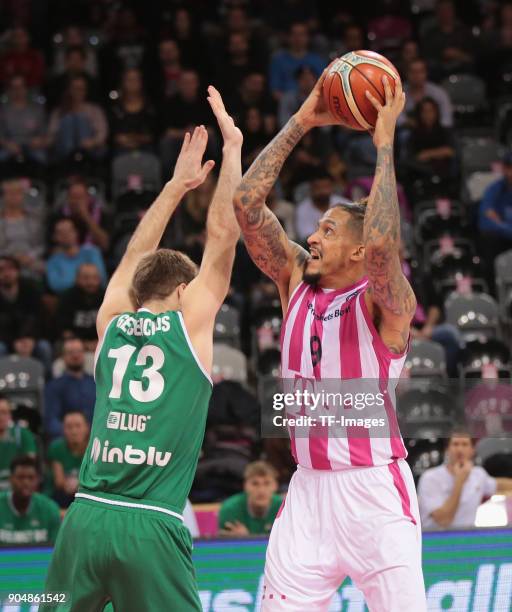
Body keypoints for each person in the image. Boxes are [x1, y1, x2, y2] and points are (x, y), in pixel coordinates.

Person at [42, 87, 242, 612]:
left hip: (83, 519)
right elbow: (222, 233)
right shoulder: (189, 325)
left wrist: (175, 186)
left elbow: (134, 256)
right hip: (149, 524)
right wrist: (235, 147)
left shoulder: (110, 323)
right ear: (181, 291)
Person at [233, 69, 426, 609]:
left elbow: (387, 249)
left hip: (373, 493)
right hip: (309, 493)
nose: (312, 237)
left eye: (329, 231)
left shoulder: (385, 301)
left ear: (360, 252)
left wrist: (383, 145)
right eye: (316, 228)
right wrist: (302, 120)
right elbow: (247, 205)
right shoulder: (295, 279)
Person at [417, 430, 512, 529]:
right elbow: (444, 520)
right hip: (436, 539)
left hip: (467, 539)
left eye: (465, 444)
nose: (460, 449)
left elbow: (499, 484)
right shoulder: (430, 478)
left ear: (472, 450)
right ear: (447, 449)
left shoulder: (478, 474)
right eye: (455, 444)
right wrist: (459, 481)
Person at [0, 456, 61, 545]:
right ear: (11, 479)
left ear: (38, 480)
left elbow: (56, 551)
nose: (26, 482)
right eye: (20, 477)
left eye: (31, 477)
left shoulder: (50, 509)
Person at [44, 338, 96, 439]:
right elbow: (51, 421)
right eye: (70, 352)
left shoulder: (95, 383)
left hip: (97, 438)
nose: (75, 356)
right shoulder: (54, 387)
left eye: (79, 351)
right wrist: (74, 434)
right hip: (66, 440)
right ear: (63, 357)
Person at [478, 151, 512, 294]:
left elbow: (493, 218)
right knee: (488, 241)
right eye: (509, 167)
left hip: (504, 232)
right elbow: (485, 221)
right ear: (504, 168)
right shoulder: (494, 189)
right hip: (501, 241)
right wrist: (508, 229)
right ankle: (494, 295)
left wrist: (499, 221)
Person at [219, 461, 282, 535]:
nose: (261, 490)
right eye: (255, 484)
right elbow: (225, 544)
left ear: (275, 486)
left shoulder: (283, 508)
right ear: (245, 485)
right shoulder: (230, 509)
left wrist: (247, 538)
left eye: (267, 483)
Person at [46, 217, 107, 294]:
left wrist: (79, 281)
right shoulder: (53, 261)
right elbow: (56, 285)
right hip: (69, 300)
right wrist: (86, 280)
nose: (66, 235)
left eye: (69, 231)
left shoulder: (92, 252)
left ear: (76, 232)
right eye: (61, 233)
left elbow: (102, 279)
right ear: (55, 237)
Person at [0, 178, 45, 277]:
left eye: (17, 193)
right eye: (10, 193)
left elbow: (41, 245)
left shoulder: (34, 220)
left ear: (23, 196)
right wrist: (13, 258)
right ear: (4, 196)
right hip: (5, 263)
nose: (14, 197)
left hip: (31, 261)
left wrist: (29, 257)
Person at [269, 22, 325, 100]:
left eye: (301, 34)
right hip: (287, 103)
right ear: (288, 37)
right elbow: (275, 90)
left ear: (307, 38)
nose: (297, 38)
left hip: (312, 103)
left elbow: (323, 88)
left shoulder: (317, 60)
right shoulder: (278, 60)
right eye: (294, 34)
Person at [0, 75, 48, 165]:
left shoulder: (36, 109)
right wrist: (8, 145)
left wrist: (39, 141)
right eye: (14, 88)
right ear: (10, 90)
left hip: (31, 145)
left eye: (20, 87)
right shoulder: (3, 111)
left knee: (41, 158)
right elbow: (1, 135)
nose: (17, 91)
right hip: (11, 145)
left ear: (25, 89)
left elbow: (43, 133)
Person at [47, 411, 89, 508]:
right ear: (63, 429)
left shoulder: (94, 448)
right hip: (62, 495)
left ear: (86, 428)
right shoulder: (56, 447)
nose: (74, 431)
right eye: (69, 427)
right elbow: (59, 482)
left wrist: (77, 483)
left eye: (78, 426)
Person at [56, 263, 105, 345]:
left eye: (95, 278)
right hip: (74, 344)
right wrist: (83, 344)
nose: (91, 282)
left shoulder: (107, 297)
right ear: (77, 278)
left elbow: (111, 327)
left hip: (101, 344)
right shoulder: (67, 297)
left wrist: (99, 343)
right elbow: (63, 329)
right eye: (86, 278)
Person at [295, 170, 349, 242]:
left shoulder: (345, 205)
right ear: (311, 188)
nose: (322, 191)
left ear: (332, 187)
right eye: (318, 188)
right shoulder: (302, 209)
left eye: (326, 187)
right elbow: (306, 237)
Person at [401, 58, 453, 128]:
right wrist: (412, 124)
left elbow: (447, 119)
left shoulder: (438, 92)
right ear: (406, 73)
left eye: (420, 72)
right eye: (413, 72)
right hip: (408, 130)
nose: (416, 75)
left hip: (436, 132)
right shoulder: (399, 92)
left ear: (426, 73)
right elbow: (395, 118)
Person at [0, 396, 36, 490]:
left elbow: (30, 466)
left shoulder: (22, 434)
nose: (0, 417)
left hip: (17, 489)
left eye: (4, 412)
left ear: (10, 415)